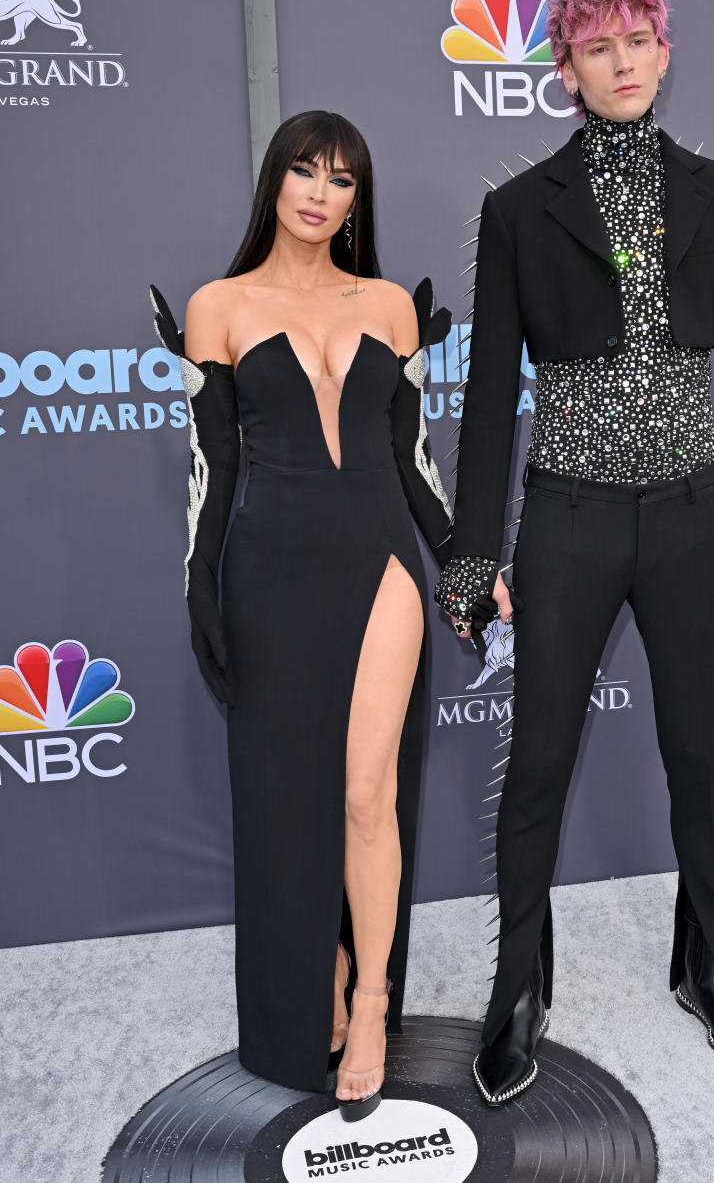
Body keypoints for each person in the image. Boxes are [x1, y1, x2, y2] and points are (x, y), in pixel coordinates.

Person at [435, 0, 714, 1105]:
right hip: (569, 521)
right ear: (567, 70)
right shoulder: (518, 208)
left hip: (692, 518)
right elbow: (487, 397)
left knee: (697, 760)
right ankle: (520, 984)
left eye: (639, 40)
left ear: (665, 52)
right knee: (535, 763)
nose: (622, 61)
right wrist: (477, 552)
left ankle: (710, 962)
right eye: (598, 46)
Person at [151, 110, 453, 1120]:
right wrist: (200, 584)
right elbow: (212, 468)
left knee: (370, 794)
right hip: (270, 569)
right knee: (290, 802)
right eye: (304, 172)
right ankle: (316, 968)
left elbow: (417, 464)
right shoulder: (217, 305)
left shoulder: (391, 308)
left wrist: (461, 559)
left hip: (380, 564)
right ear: (274, 182)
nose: (321, 194)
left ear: (360, 199)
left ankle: (370, 1001)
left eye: (343, 180)